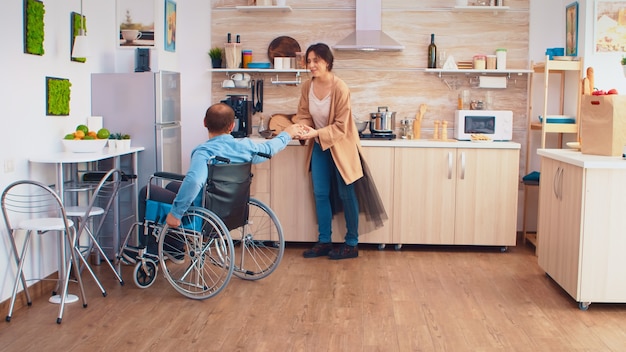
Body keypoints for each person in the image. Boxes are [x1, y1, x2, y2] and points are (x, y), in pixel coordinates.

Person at [136, 103, 303, 246]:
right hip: (231, 210)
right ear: (232, 126)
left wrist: (176, 213)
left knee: (147, 191)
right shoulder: (245, 146)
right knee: (173, 186)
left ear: (204, 123)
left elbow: (194, 182)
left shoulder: (205, 152)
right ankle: (176, 246)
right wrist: (288, 132)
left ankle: (151, 251)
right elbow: (269, 148)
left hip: (206, 211)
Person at [293, 43, 387, 260]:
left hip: (341, 147)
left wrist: (315, 133)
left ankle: (351, 243)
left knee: (346, 194)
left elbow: (341, 125)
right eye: (309, 61)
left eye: (316, 60)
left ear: (327, 62)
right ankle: (324, 241)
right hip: (318, 146)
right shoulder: (307, 86)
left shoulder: (340, 88)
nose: (311, 65)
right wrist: (303, 128)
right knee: (320, 193)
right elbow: (304, 113)